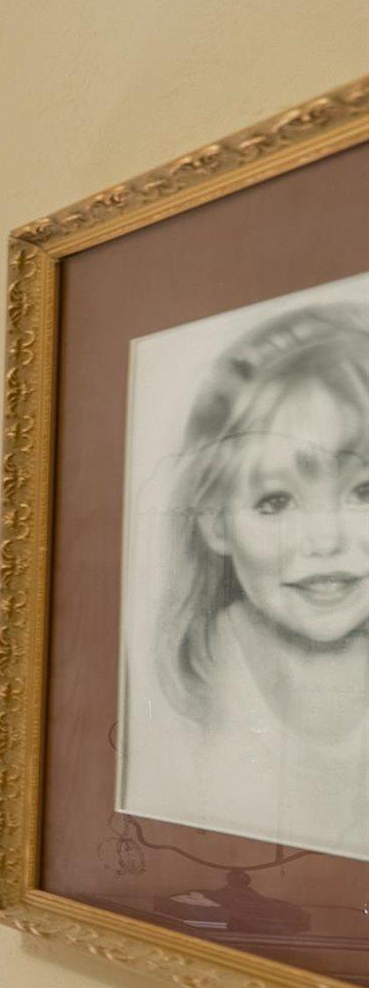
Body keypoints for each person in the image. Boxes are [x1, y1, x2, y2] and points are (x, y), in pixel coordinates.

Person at [128, 298, 369, 859]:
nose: (326, 541)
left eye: (364, 493)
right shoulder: (199, 675)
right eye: (276, 501)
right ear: (214, 524)